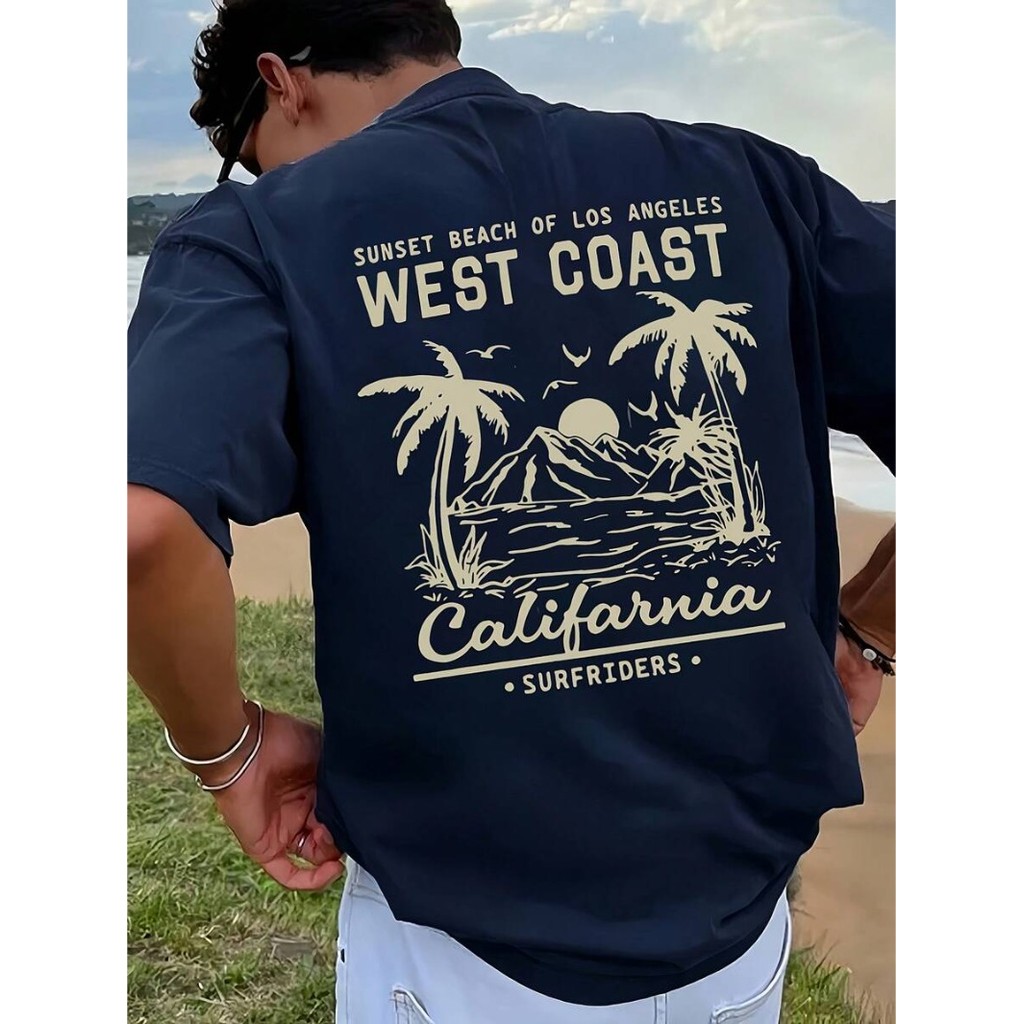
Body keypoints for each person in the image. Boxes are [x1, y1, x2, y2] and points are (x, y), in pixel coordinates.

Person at [127, 1, 895, 1021]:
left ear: (280, 81)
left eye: (244, 151)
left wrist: (228, 752)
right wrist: (873, 626)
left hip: (453, 954)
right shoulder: (746, 178)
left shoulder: (261, 234)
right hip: (738, 933)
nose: (259, 176)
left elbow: (141, 529)